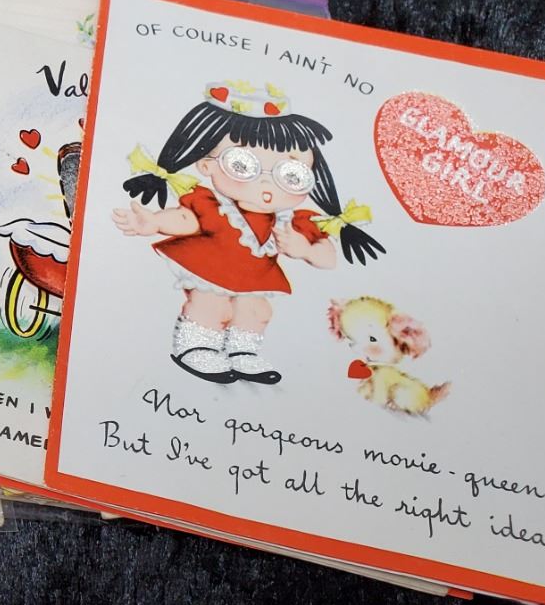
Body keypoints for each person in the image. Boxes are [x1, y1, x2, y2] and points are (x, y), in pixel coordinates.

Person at [113, 81, 382, 385]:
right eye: (241, 165)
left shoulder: (291, 221)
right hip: (210, 270)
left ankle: (243, 352)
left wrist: (305, 249)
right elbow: (187, 220)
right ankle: (196, 346)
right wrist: (154, 222)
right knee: (212, 305)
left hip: (254, 280)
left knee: (257, 310)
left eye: (291, 175)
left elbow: (328, 258)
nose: (267, 184)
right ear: (207, 165)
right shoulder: (213, 205)